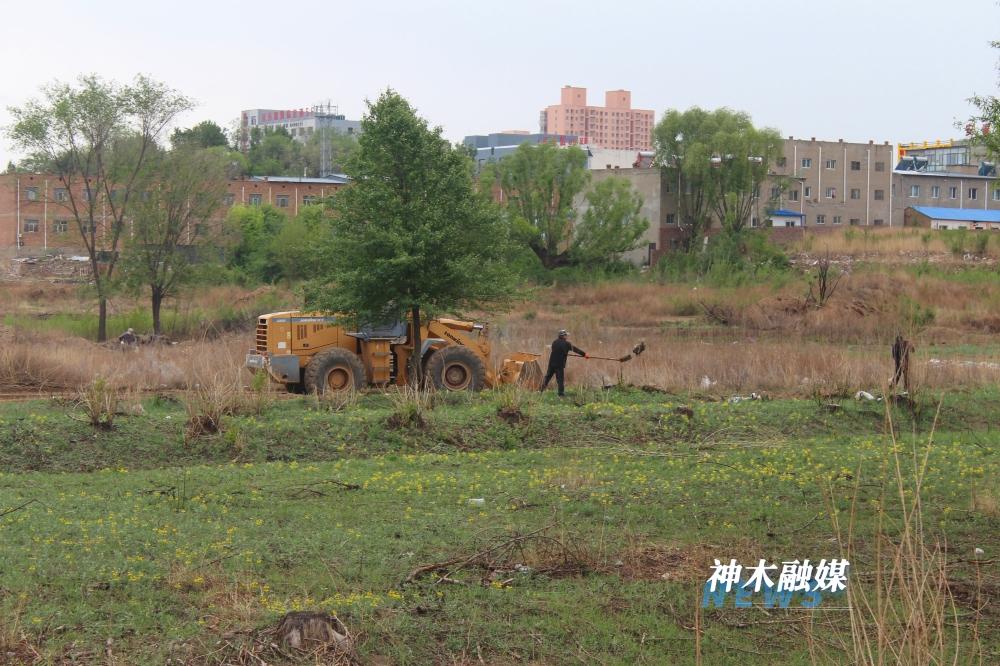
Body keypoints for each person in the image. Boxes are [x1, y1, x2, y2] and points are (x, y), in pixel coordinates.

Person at [539, 329, 587, 396]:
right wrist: (584, 354)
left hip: (551, 363)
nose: (567, 336)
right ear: (563, 336)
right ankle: (561, 395)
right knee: (560, 380)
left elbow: (556, 350)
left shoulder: (554, 342)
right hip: (559, 365)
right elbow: (575, 350)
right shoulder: (567, 344)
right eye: (566, 335)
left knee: (547, 377)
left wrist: (565, 353)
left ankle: (541, 391)